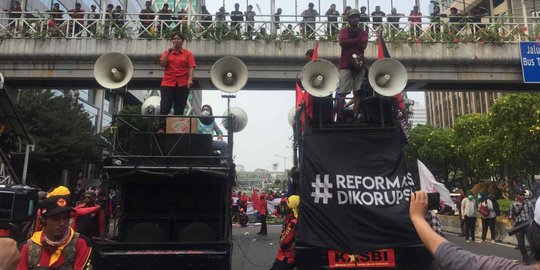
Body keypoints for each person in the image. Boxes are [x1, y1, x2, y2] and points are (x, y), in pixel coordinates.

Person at [410, 191, 540, 270]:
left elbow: (454, 258)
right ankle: (471, 237)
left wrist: (417, 217)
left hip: (483, 217)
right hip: (472, 217)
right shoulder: (466, 201)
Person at [17, 186, 92, 270]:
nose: (62, 223)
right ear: (43, 220)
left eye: (66, 218)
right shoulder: (26, 248)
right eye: (56, 219)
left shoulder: (81, 243)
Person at [157, 32, 196, 133]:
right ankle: (162, 127)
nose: (176, 40)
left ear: (182, 41)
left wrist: (190, 79)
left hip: (182, 83)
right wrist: (169, 53)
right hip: (168, 82)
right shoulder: (167, 52)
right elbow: (162, 64)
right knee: (165, 105)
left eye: (178, 39)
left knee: (180, 106)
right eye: (174, 39)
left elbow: (191, 67)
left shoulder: (188, 54)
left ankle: (176, 128)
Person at [337, 9, 368, 123]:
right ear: (348, 20)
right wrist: (356, 40)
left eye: (356, 17)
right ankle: (339, 117)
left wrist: (350, 41)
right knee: (342, 92)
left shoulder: (363, 32)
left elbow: (363, 45)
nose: (355, 19)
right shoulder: (344, 31)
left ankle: (355, 116)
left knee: (357, 92)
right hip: (345, 65)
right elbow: (342, 42)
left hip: (359, 65)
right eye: (352, 17)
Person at [271, 195, 299, 270]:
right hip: (287, 256)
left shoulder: (293, 222)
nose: (285, 207)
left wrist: (281, 239)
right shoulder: (291, 217)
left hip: (285, 257)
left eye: (287, 204)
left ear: (291, 207)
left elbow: (284, 242)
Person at [510, 189, 535, 264]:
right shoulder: (513, 205)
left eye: (523, 195)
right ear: (516, 195)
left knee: (532, 241)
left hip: (528, 224)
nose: (522, 196)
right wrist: (513, 226)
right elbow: (511, 216)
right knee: (521, 243)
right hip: (518, 225)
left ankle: (534, 255)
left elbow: (534, 214)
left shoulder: (529, 203)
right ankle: (525, 257)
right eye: (521, 195)